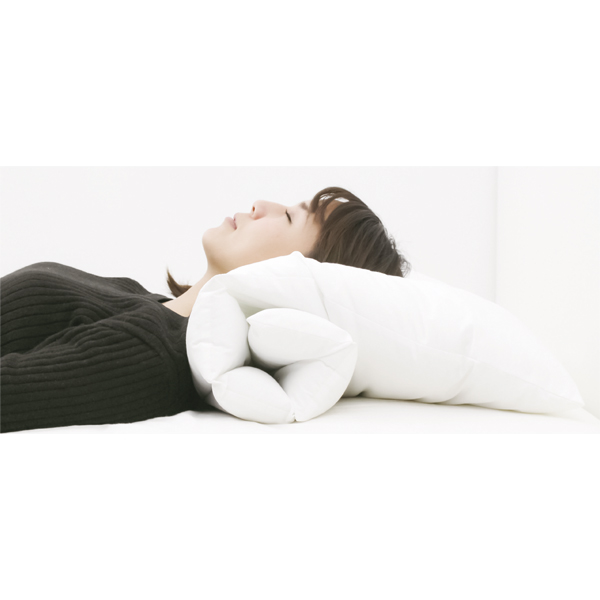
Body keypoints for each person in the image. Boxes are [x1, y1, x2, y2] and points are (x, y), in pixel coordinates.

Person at [0, 187, 411, 433]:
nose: (260, 204)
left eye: (289, 217)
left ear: (296, 275)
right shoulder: (142, 301)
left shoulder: (152, 354)